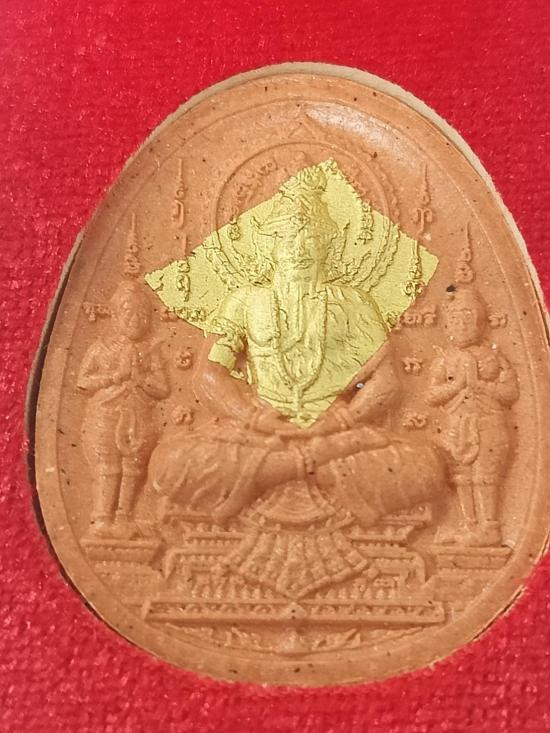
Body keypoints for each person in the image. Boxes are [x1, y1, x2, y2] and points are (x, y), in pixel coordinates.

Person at [148, 166, 444, 529]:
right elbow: (210, 375)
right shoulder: (244, 302)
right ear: (270, 246)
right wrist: (252, 417)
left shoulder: (354, 303)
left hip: (337, 432)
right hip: (261, 434)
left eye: (311, 239)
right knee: (167, 463)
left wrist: (343, 419)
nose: (299, 249)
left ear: (327, 246)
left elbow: (386, 381)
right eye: (288, 238)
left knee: (427, 464)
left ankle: (273, 473)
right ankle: (306, 465)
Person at [78, 280, 169, 539]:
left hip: (140, 416)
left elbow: (162, 388)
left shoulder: (150, 352)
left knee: (134, 468)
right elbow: (82, 381)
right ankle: (101, 519)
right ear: (116, 316)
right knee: (107, 466)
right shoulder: (102, 349)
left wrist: (141, 380)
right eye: (128, 313)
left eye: (141, 313)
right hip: (106, 414)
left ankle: (124, 517)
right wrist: (113, 378)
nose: (135, 320)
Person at [427, 286, 518, 546]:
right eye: (455, 320)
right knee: (461, 476)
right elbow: (431, 395)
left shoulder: (493, 358)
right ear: (447, 326)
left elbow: (510, 391)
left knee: (485, 475)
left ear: (480, 323)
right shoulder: (444, 360)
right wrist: (456, 386)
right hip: (457, 426)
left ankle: (489, 527)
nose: (462, 326)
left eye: (468, 320)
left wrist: (481, 386)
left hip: (489, 424)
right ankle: (468, 525)